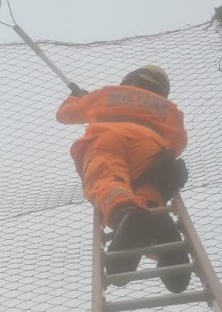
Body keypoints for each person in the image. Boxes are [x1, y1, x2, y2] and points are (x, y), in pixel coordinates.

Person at [57, 65, 191, 291]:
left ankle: (125, 214)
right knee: (148, 191)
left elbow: (64, 115)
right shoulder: (170, 110)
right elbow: (177, 143)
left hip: (109, 137)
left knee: (107, 179)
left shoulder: (106, 95)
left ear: (129, 80)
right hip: (151, 146)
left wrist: (75, 97)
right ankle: (160, 230)